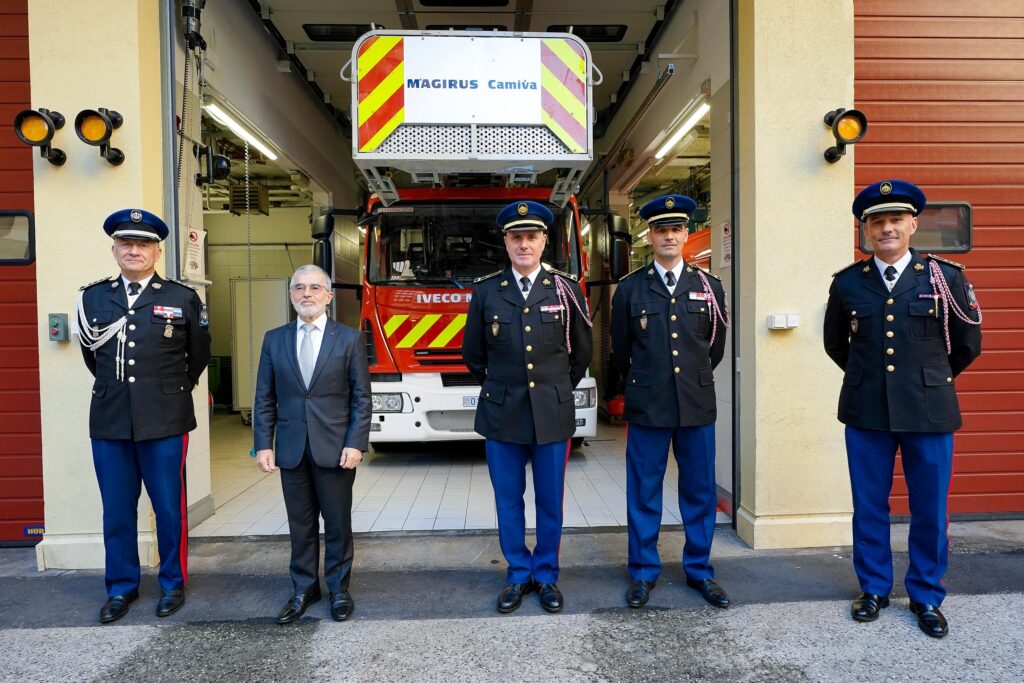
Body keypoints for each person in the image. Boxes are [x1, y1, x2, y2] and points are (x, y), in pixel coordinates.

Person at [824, 179, 983, 638]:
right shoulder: (848, 283)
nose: (887, 228)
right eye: (877, 221)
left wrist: (929, 379)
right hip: (866, 410)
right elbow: (837, 344)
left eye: (896, 219)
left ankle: (927, 594)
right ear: (865, 230)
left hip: (929, 412)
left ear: (913, 224)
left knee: (930, 507)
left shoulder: (945, 277)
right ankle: (873, 588)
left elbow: (967, 344)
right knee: (869, 505)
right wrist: (874, 379)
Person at [76, 208, 211, 624]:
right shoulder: (93, 297)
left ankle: (172, 583)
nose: (134, 250)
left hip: (166, 420)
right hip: (111, 420)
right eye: (126, 243)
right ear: (115, 248)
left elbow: (198, 356)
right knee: (116, 509)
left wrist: (167, 391)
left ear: (157, 250)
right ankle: (121, 587)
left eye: (143, 244)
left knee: (169, 507)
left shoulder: (181, 297)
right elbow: (91, 356)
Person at [462, 200, 593, 614]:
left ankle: (547, 575)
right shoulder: (487, 291)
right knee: (508, 498)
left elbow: (582, 353)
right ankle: (518, 574)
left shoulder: (566, 289)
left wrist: (553, 389)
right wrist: (505, 387)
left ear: (543, 241)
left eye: (531, 237)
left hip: (551, 411)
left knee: (550, 499)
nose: (524, 244)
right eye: (516, 237)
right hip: (503, 412)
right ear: (505, 242)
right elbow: (473, 355)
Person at [610, 194, 732, 609]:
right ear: (651, 235)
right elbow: (621, 350)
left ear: (685, 234)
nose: (668, 236)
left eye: (676, 229)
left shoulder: (708, 286)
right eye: (661, 229)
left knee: (699, 491)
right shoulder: (629, 290)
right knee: (644, 492)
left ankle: (699, 569)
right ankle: (643, 571)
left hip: (696, 404)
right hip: (648, 404)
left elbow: (714, 347)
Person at [253, 264, 371, 624]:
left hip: (335, 448)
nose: (307, 293)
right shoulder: (274, 339)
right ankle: (304, 588)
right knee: (300, 524)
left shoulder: (349, 339)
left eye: (315, 287)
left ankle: (338, 589)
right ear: (291, 296)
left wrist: (356, 443)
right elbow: (264, 397)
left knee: (337, 524)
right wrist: (263, 444)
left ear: (329, 296)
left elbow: (361, 399)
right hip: (290, 448)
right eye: (299, 288)